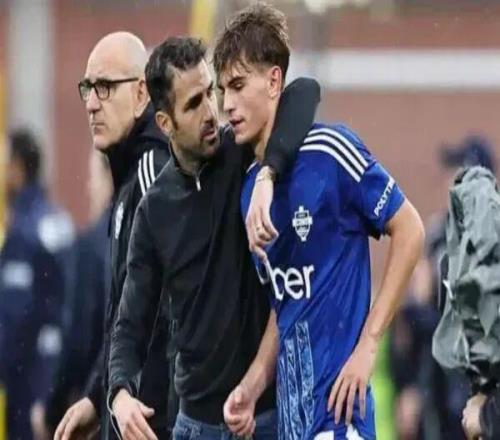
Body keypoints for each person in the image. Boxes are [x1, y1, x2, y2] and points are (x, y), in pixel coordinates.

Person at [213, 3, 425, 439]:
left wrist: (369, 345)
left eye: (237, 85)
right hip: (294, 425)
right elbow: (286, 304)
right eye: (222, 90)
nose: (227, 104)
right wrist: (253, 384)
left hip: (340, 420)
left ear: (274, 82)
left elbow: (410, 229)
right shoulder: (251, 190)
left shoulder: (331, 152)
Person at [107, 36, 320, 440]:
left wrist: (268, 174)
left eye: (210, 93)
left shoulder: (241, 154)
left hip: (264, 419)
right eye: (193, 104)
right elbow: (130, 324)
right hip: (195, 425)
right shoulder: (154, 211)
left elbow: (305, 92)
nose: (211, 112)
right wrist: (119, 394)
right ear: (165, 123)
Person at [54, 32, 171, 440]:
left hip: (149, 418)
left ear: (141, 94)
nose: (91, 103)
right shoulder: (127, 180)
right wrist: (97, 395)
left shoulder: (153, 174)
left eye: (105, 87)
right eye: (88, 87)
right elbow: (124, 312)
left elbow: (166, 307)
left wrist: (128, 397)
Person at [30, 151, 113, 440]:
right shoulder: (147, 229)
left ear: (109, 177)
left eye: (93, 177)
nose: (89, 188)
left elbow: (79, 339)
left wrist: (51, 412)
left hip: (99, 410)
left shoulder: (91, 247)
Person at [0, 129, 74, 440]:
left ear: (17, 168)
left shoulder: (23, 233)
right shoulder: (60, 221)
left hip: (29, 384)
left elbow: (16, 320)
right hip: (64, 379)